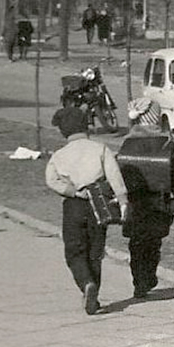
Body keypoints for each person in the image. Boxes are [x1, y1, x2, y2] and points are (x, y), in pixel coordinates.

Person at [44, 105, 129, 315]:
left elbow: (51, 180)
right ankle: (94, 294)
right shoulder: (100, 149)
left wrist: (71, 190)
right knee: (95, 251)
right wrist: (123, 201)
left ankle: (85, 284)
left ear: (63, 131)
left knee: (74, 249)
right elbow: (115, 177)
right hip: (98, 204)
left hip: (74, 204)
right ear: (86, 126)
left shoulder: (59, 155)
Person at [117, 99, 174, 299]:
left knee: (136, 243)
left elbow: (119, 172)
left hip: (134, 204)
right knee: (153, 242)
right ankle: (148, 275)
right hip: (159, 202)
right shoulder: (167, 144)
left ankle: (139, 280)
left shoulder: (127, 143)